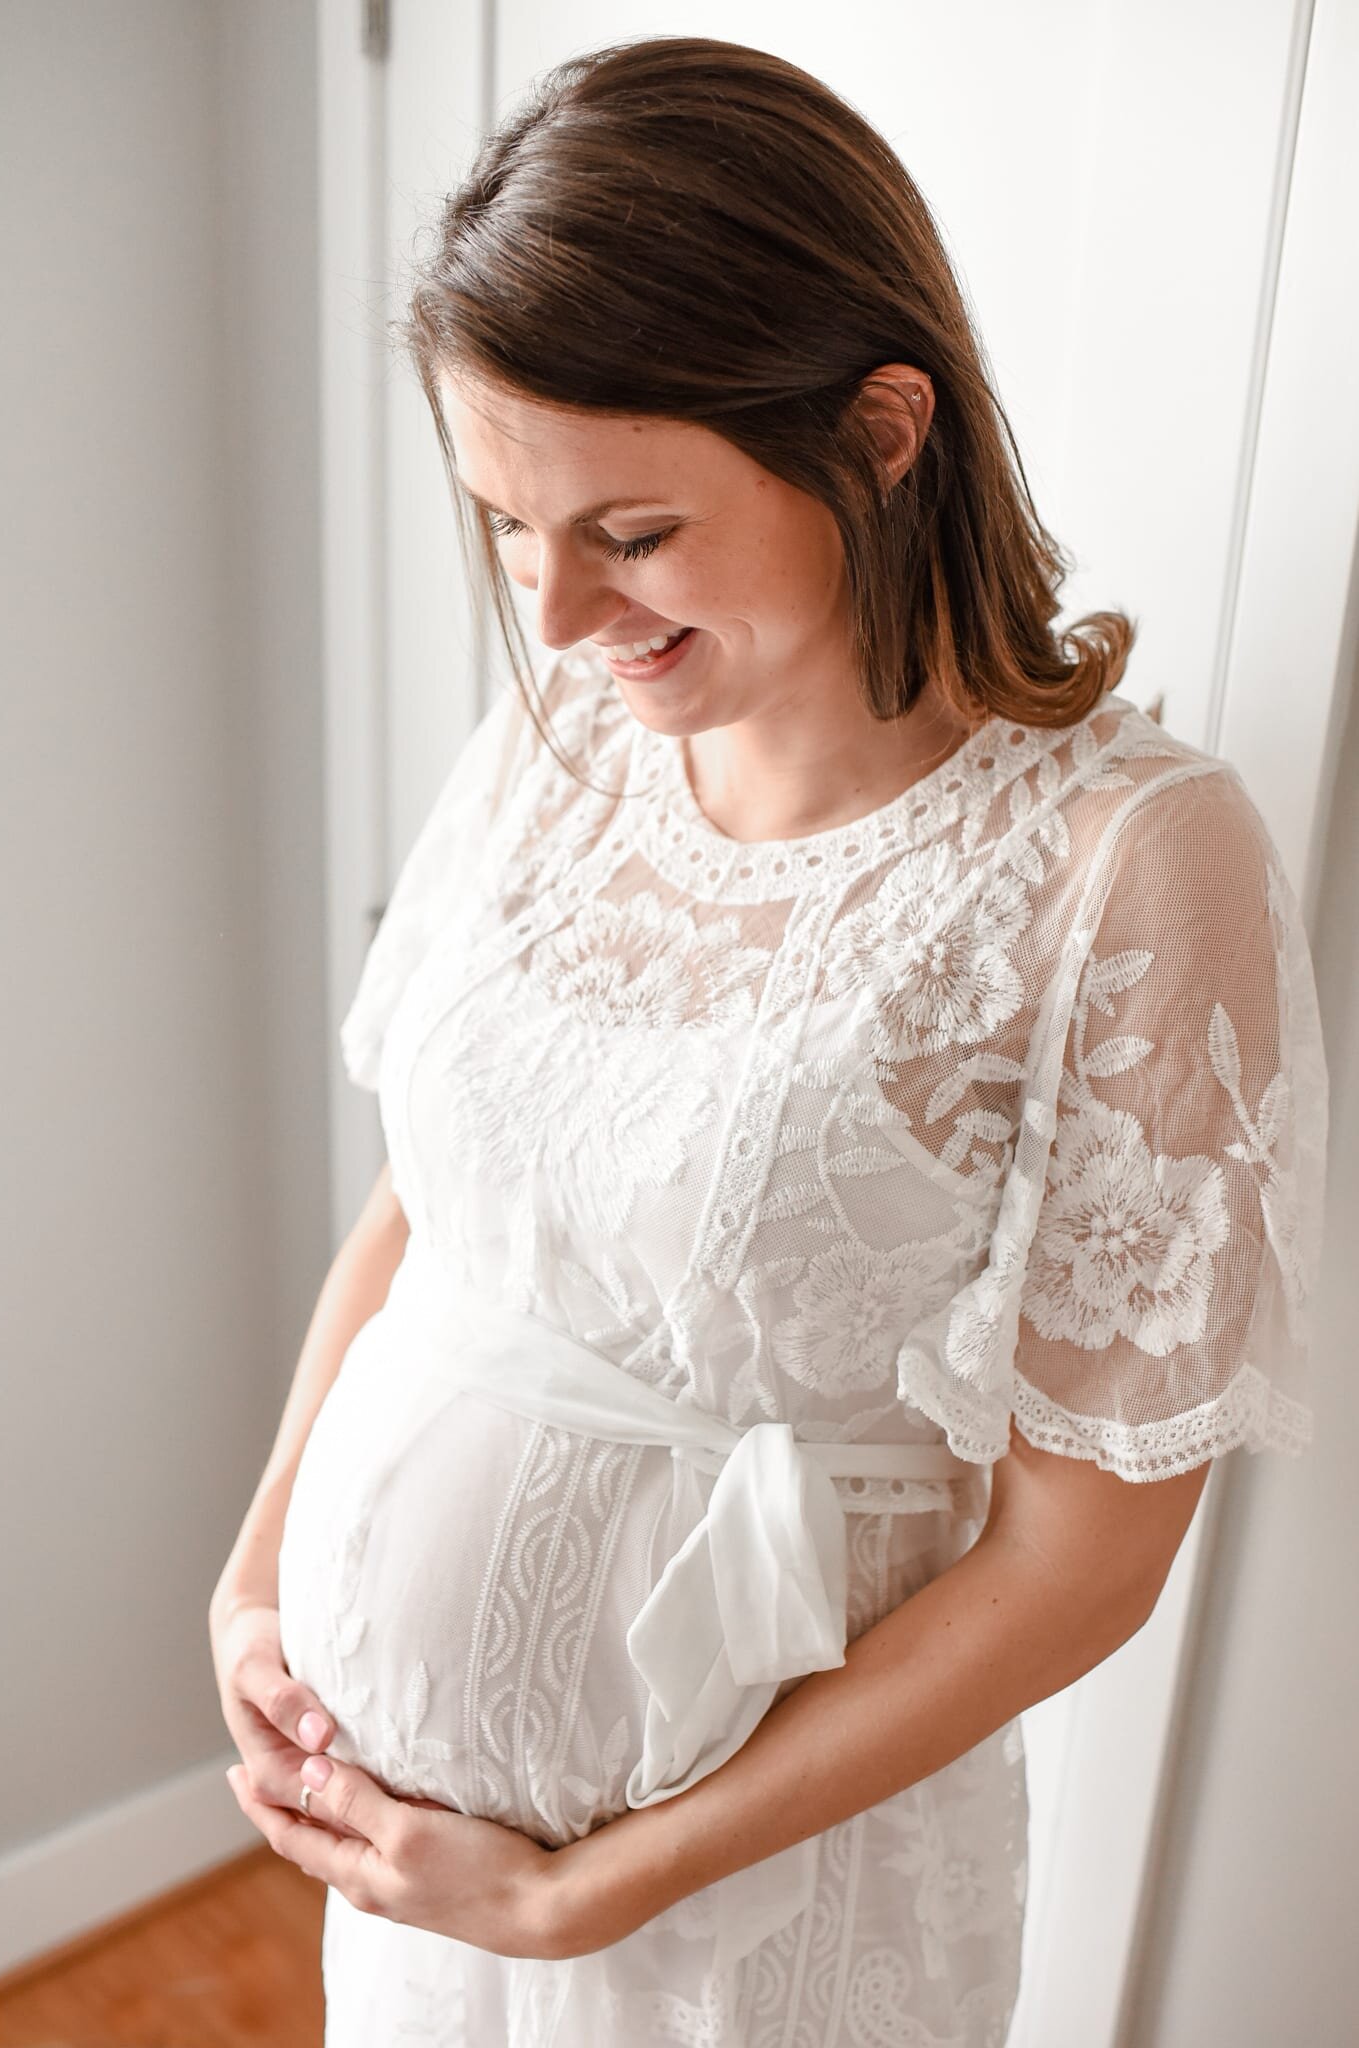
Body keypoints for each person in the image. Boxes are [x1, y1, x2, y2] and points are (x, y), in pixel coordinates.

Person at [209, 35, 1328, 2048]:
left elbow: (1080, 1559)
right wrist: (262, 1564)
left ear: (883, 431)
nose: (551, 615)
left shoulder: (1128, 866)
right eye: (502, 524)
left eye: (630, 532)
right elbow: (437, 1204)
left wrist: (583, 1890)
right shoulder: (571, 749)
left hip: (757, 1913)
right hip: (414, 1874)